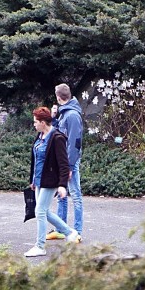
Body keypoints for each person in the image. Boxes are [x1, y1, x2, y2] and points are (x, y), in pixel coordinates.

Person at [25, 106, 80, 258]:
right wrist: (32, 180)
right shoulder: (40, 136)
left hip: (51, 181)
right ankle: (70, 232)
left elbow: (63, 164)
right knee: (44, 211)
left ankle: (40, 246)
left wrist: (62, 185)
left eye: (36, 122)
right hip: (39, 180)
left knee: (40, 211)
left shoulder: (57, 138)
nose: (34, 124)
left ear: (43, 122)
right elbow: (35, 159)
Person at [49, 83, 84, 243]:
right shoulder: (64, 113)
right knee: (61, 194)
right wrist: (54, 118)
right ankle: (61, 230)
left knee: (75, 194)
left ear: (58, 97)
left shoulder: (72, 115)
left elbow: (75, 143)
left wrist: (69, 166)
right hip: (62, 161)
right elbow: (58, 133)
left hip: (69, 162)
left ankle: (77, 231)